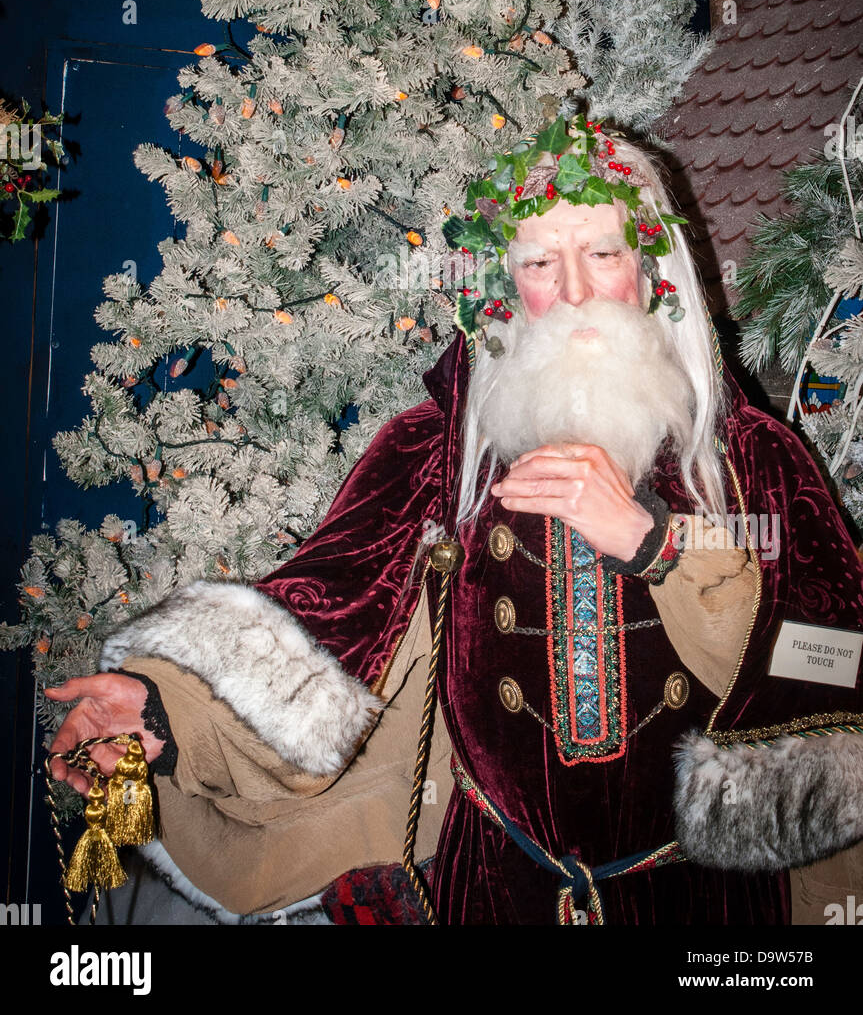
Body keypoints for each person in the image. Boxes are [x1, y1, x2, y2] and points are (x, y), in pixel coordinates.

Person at [47, 114, 863, 925]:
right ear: (507, 288)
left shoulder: (752, 460)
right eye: (541, 262)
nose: (574, 291)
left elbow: (829, 662)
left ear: (651, 269)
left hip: (702, 900)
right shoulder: (434, 455)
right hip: (493, 886)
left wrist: (657, 548)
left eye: (603, 254)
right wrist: (158, 706)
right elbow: (324, 613)